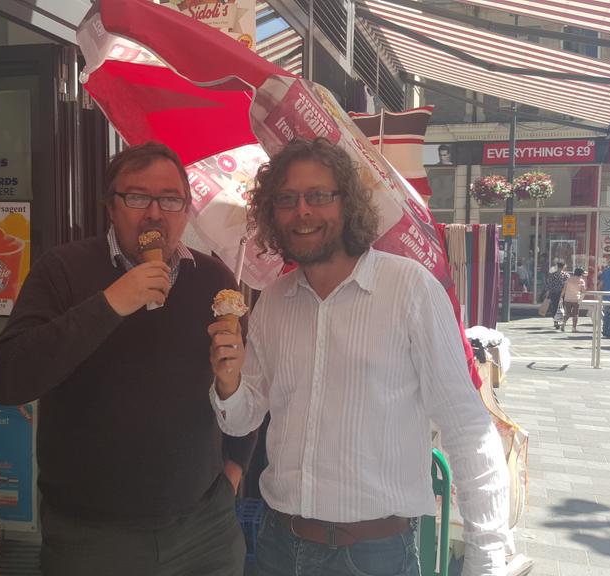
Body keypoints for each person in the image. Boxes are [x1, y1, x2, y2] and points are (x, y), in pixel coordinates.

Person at [208, 138, 511, 576]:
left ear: (348, 203)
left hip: (373, 555)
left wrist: (485, 559)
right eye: (287, 200)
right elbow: (242, 420)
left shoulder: (409, 289)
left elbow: (466, 425)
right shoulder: (273, 301)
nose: (303, 211)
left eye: (318, 196)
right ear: (272, 215)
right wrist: (229, 382)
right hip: (278, 546)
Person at [0, 142, 256, 575]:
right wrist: (109, 304)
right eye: (136, 197)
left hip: (203, 531)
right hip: (91, 539)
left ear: (185, 211)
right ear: (111, 208)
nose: (154, 213)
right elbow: (7, 379)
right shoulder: (64, 270)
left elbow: (249, 387)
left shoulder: (215, 282)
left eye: (170, 199)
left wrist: (234, 471)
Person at [544, 262, 570, 329]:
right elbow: (567, 285)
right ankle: (561, 321)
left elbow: (548, 284)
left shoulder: (552, 275)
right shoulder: (566, 275)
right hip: (563, 293)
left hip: (554, 293)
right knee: (562, 307)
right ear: (563, 267)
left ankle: (556, 322)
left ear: (557, 266)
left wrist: (548, 291)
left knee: (554, 307)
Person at [559, 267, 586, 332]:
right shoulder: (581, 281)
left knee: (567, 313)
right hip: (576, 299)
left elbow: (564, 289)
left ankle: (563, 323)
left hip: (567, 299)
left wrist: (560, 297)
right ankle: (574, 328)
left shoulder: (568, 279)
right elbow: (583, 291)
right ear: (581, 274)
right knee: (575, 314)